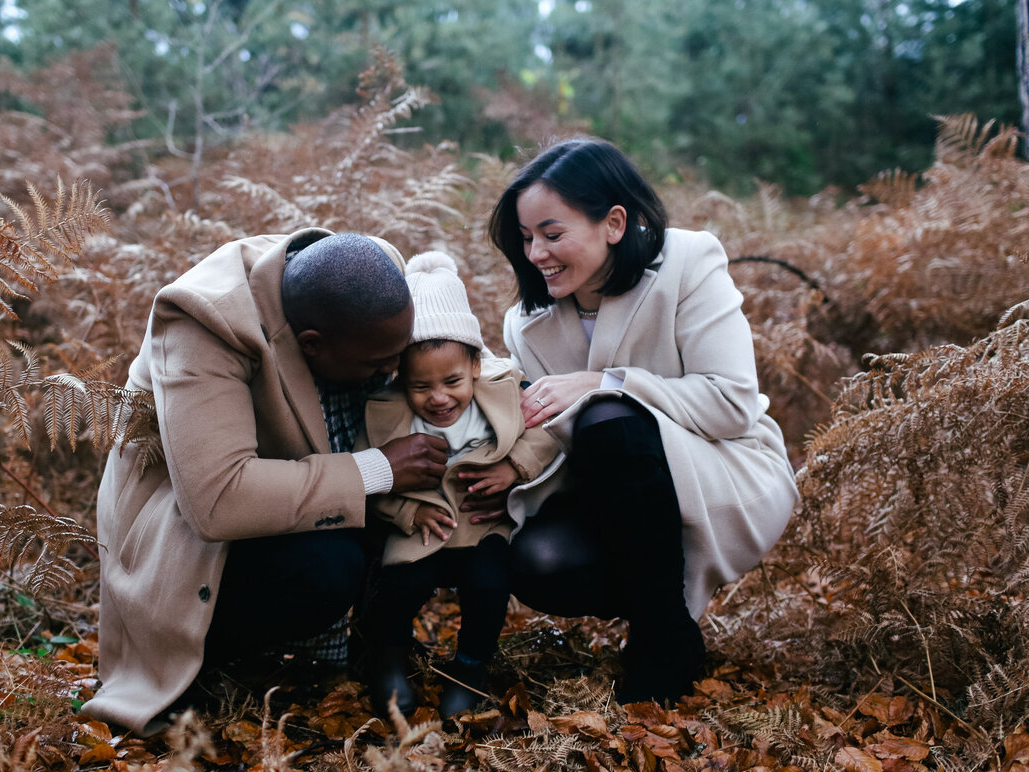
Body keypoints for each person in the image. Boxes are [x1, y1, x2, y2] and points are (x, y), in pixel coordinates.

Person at [82, 230, 451, 735]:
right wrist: (379, 470)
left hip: (296, 485)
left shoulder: (373, 275)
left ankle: (373, 647)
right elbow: (219, 502)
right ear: (312, 345)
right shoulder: (203, 321)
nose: (394, 371)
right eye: (378, 363)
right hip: (187, 537)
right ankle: (210, 661)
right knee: (325, 567)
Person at [488, 139, 798, 704]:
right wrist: (508, 469)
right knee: (536, 561)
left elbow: (731, 402)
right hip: (607, 490)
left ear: (613, 222)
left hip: (722, 468)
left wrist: (603, 382)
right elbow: (551, 439)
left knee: (608, 418)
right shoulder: (524, 323)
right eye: (526, 237)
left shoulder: (687, 261)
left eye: (552, 235)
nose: (535, 253)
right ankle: (668, 619)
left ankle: (661, 639)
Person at [355, 252, 560, 718]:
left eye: (452, 381)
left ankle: (469, 669)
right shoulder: (384, 411)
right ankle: (388, 660)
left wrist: (514, 469)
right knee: (399, 586)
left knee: (489, 586)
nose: (439, 398)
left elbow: (546, 434)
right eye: (421, 387)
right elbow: (367, 476)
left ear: (474, 364)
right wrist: (407, 513)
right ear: (400, 377)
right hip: (423, 527)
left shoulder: (505, 390)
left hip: (483, 523)